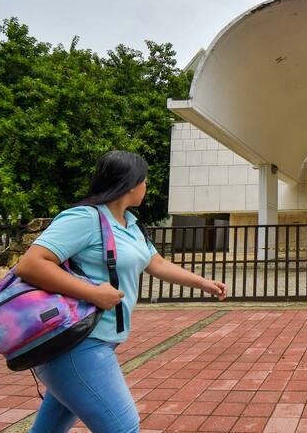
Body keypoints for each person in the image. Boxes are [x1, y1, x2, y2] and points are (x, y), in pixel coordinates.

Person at [16, 150, 227, 433]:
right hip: (76, 343)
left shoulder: (131, 225)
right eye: (145, 181)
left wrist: (203, 283)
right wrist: (93, 293)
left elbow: (157, 263)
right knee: (122, 427)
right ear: (130, 183)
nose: (147, 187)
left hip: (96, 342)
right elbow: (30, 264)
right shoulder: (85, 218)